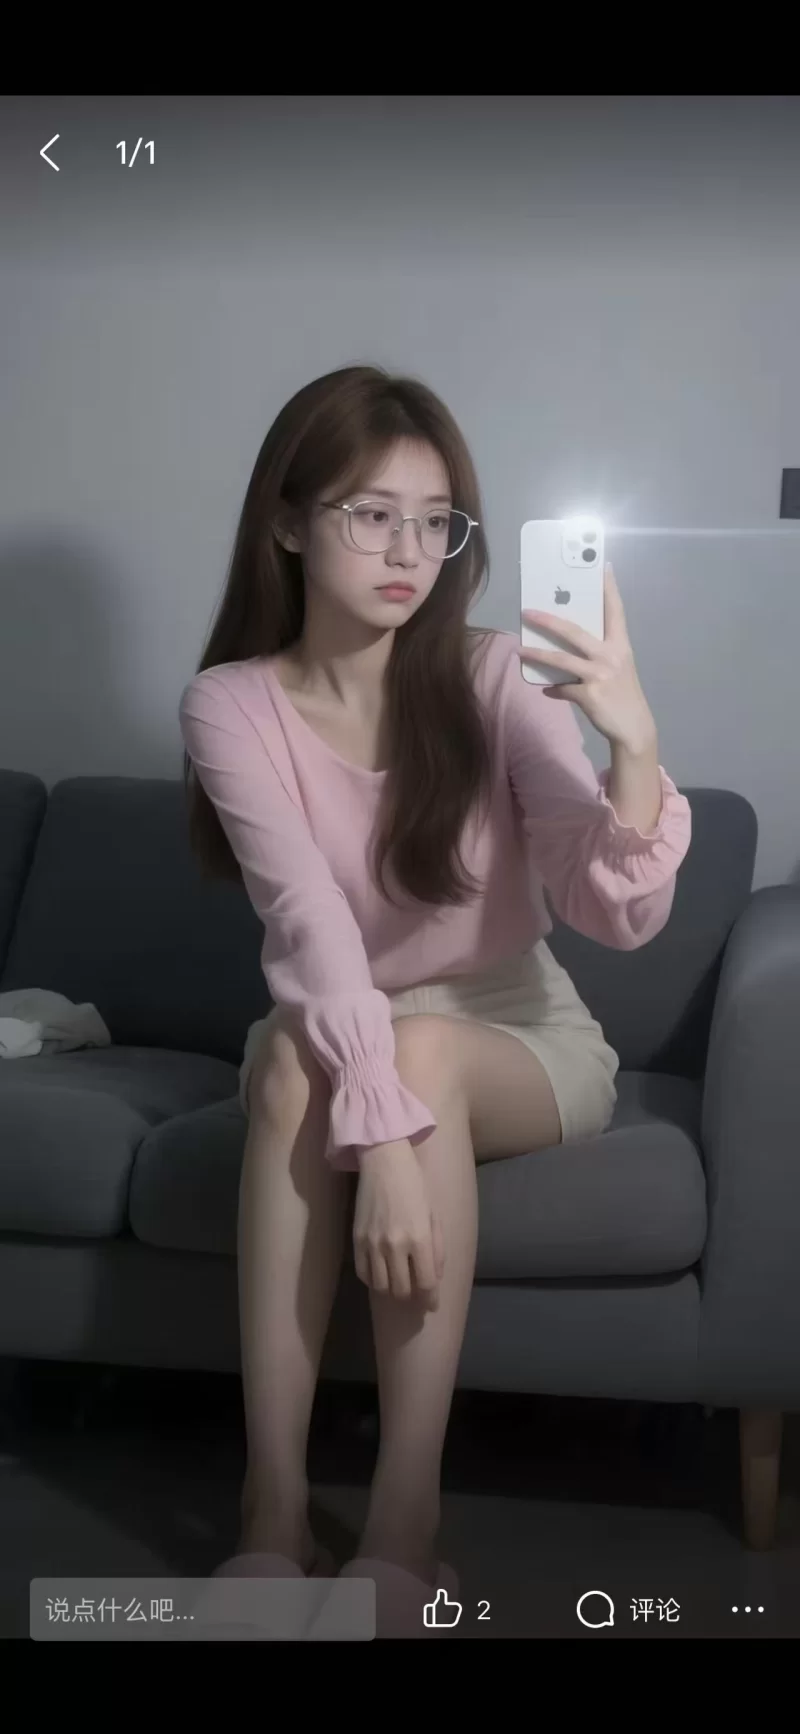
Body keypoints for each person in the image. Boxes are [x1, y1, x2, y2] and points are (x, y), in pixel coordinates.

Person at [178, 363, 692, 1632]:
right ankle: (271, 1513)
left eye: (435, 521)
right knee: (301, 1055)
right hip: (334, 1024)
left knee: (414, 1049)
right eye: (371, 514)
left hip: (515, 1029)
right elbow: (305, 921)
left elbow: (612, 909)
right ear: (287, 522)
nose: (409, 552)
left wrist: (630, 740)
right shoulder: (230, 704)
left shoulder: (493, 676)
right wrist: (378, 1123)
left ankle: (402, 1522)